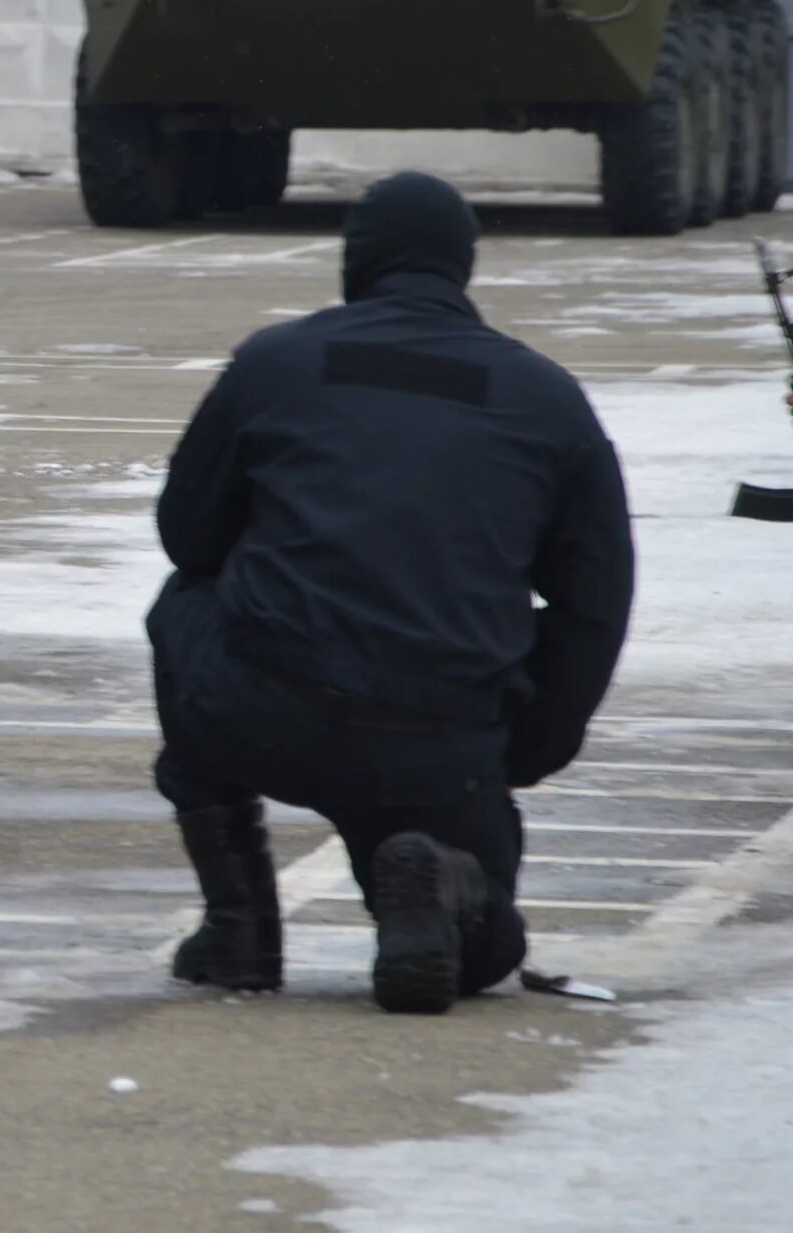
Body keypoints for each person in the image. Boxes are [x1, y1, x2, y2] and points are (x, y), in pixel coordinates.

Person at [148, 171, 634, 1015]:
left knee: (182, 604)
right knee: (482, 951)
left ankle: (240, 927)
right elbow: (595, 604)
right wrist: (526, 746)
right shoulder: (546, 398)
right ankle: (440, 879)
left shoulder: (278, 362)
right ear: (462, 268)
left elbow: (189, 537)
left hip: (266, 705)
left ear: (356, 261)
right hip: (437, 736)